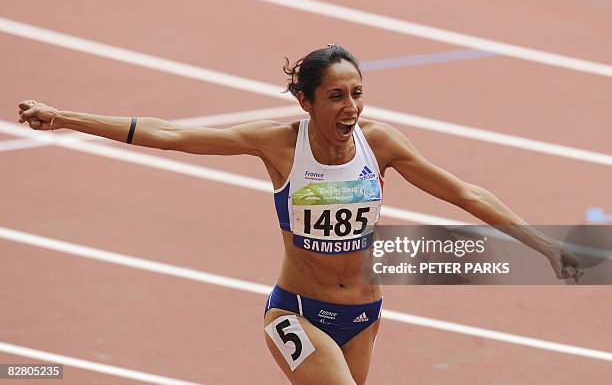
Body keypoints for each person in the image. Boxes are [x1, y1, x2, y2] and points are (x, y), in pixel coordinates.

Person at [18, 44, 582, 385]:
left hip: (365, 314)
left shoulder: (379, 144)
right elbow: (172, 134)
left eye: (357, 94)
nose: (351, 108)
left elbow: (466, 193)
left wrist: (547, 247)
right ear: (306, 102)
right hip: (297, 314)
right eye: (336, 96)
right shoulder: (280, 146)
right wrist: (65, 117)